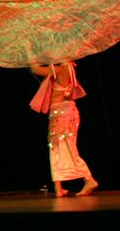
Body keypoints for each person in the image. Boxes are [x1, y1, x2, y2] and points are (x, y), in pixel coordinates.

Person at [29, 61, 99, 197]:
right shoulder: (70, 68)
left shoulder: (61, 69)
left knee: (64, 149)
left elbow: (35, 69)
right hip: (66, 112)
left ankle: (89, 179)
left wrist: (30, 53)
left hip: (61, 114)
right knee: (57, 148)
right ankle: (58, 188)